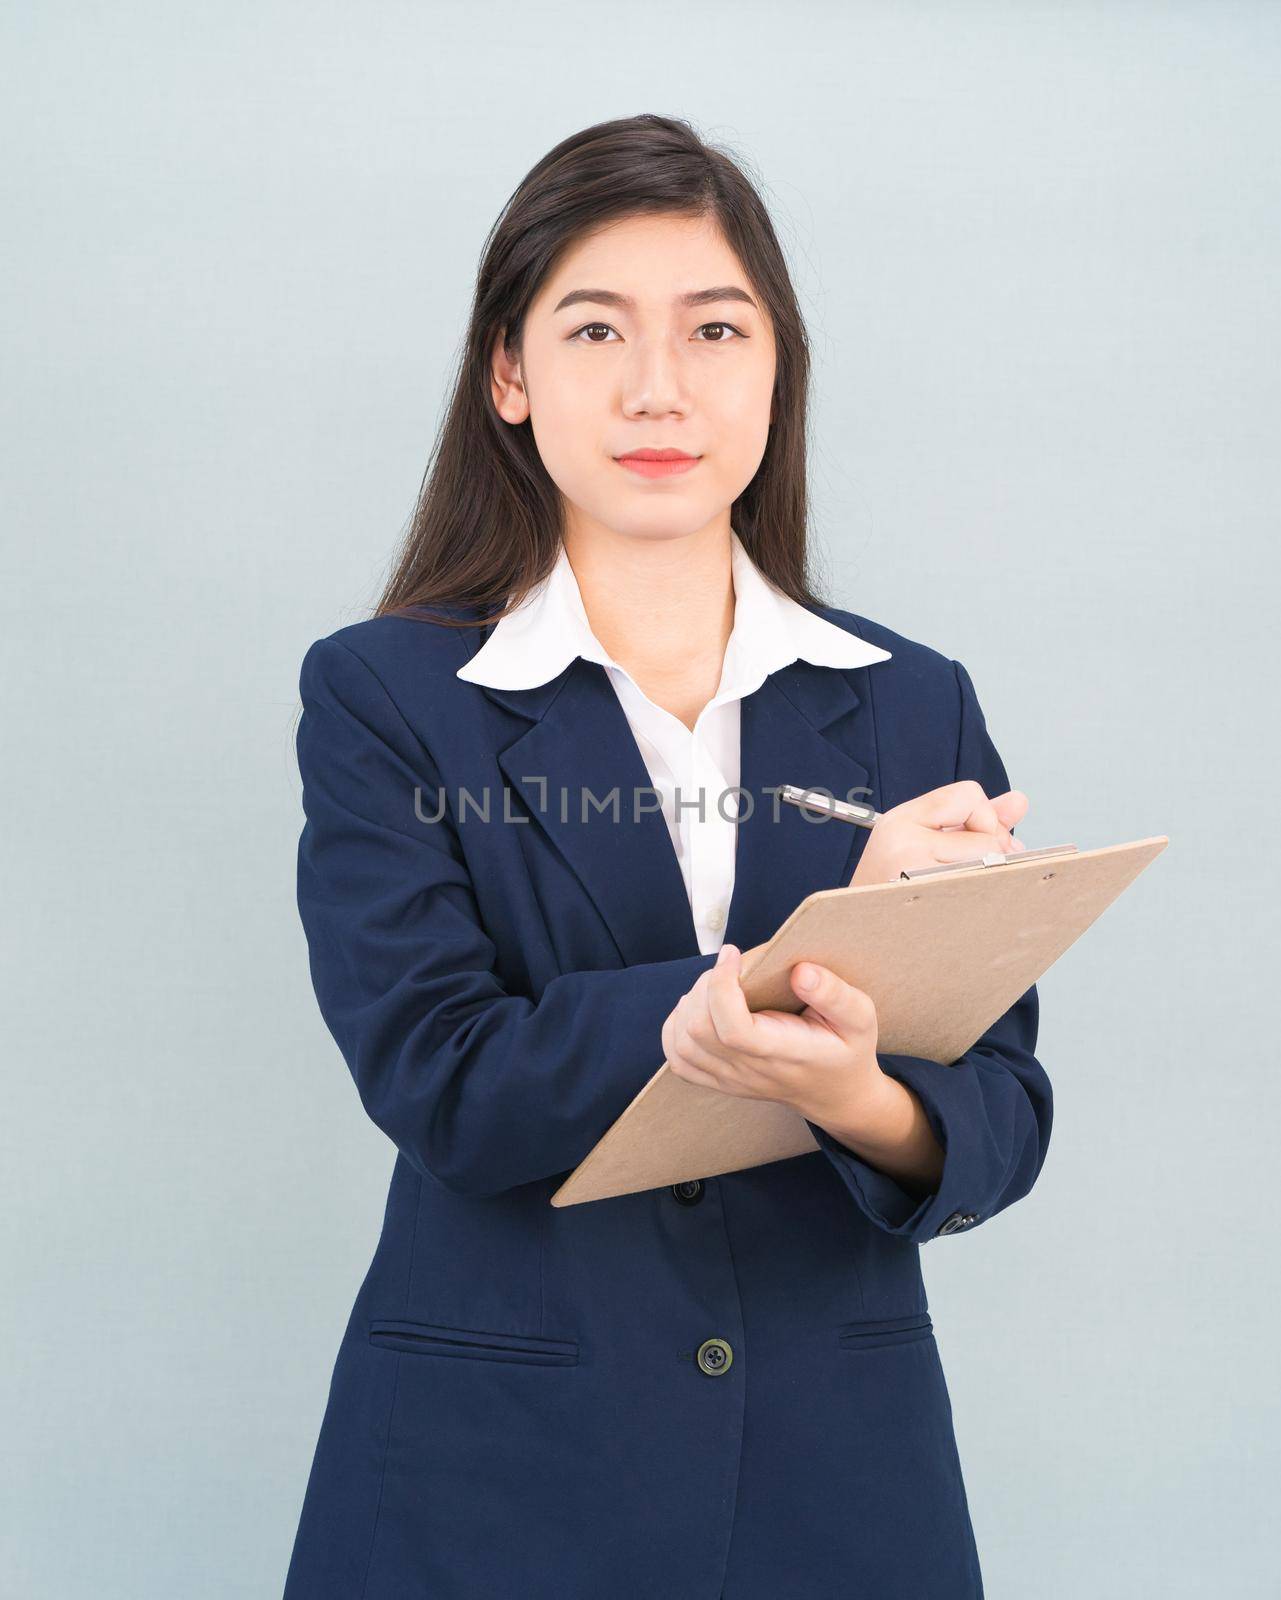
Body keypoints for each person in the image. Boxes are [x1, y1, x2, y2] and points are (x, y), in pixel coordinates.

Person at [282, 113, 1053, 1600]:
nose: (658, 386)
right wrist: (756, 997)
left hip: (838, 1477)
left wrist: (864, 1101)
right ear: (509, 374)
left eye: (713, 328)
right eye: (593, 330)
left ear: (775, 371)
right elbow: (441, 1077)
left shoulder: (910, 700)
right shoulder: (383, 695)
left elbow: (1000, 1106)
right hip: (494, 1471)